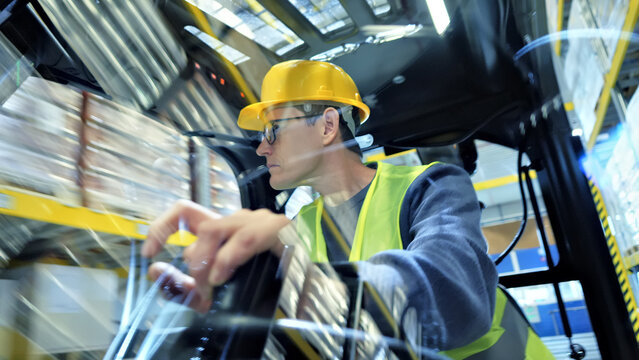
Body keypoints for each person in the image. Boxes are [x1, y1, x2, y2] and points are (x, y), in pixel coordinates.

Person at [142, 60, 553, 359]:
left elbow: (455, 292)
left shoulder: (430, 187)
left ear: (326, 126)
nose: (262, 146)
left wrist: (313, 281)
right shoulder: (299, 227)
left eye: (273, 129)